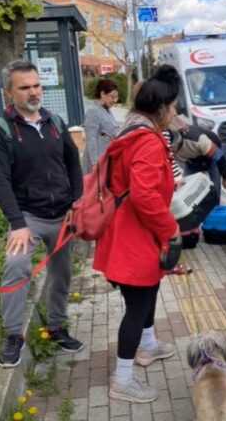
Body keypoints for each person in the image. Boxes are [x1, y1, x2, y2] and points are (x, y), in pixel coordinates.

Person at [0, 59, 84, 368]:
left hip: (63, 216)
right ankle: (14, 335)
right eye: (24, 87)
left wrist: (76, 204)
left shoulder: (55, 122)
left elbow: (72, 164)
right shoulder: (1, 131)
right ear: (8, 93)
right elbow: (0, 181)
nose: (33, 92)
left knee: (62, 273)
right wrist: (17, 224)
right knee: (16, 267)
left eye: (36, 85)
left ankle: (57, 327)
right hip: (27, 217)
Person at [93, 65, 180, 403]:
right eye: (172, 107)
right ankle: (123, 380)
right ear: (159, 109)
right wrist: (170, 230)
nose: (175, 113)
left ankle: (148, 346)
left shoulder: (133, 128)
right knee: (137, 304)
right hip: (134, 236)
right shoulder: (146, 140)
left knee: (148, 291)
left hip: (133, 232)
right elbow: (144, 194)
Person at [168, 119, 226, 200]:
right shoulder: (166, 147)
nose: (172, 151)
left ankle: (215, 205)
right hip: (191, 160)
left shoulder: (198, 139)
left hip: (210, 154)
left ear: (177, 140)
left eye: (173, 148)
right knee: (186, 189)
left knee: (214, 189)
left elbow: (219, 157)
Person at [83, 78, 119, 172]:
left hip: (107, 161)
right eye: (112, 97)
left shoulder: (107, 111)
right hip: (97, 164)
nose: (114, 100)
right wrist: (95, 163)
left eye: (116, 97)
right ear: (102, 94)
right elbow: (91, 139)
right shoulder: (93, 111)